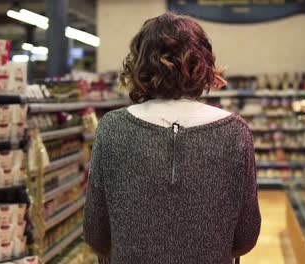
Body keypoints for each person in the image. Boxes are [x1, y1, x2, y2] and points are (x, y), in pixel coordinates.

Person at [83, 12, 261, 264]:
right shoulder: (234, 131)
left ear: (138, 64)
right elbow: (246, 236)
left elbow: (96, 233)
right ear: (204, 64)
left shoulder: (112, 128)